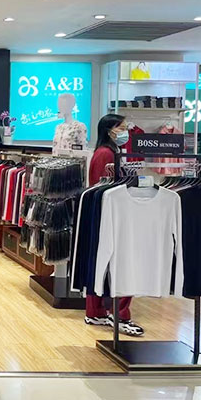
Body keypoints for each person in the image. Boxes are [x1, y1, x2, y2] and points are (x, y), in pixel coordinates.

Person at [84, 113, 144, 336]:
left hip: (106, 213)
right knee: (122, 263)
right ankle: (119, 314)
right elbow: (106, 188)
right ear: (110, 130)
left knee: (102, 264)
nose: (126, 132)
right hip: (112, 214)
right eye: (122, 128)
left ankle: (97, 311)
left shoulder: (107, 152)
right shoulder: (106, 154)